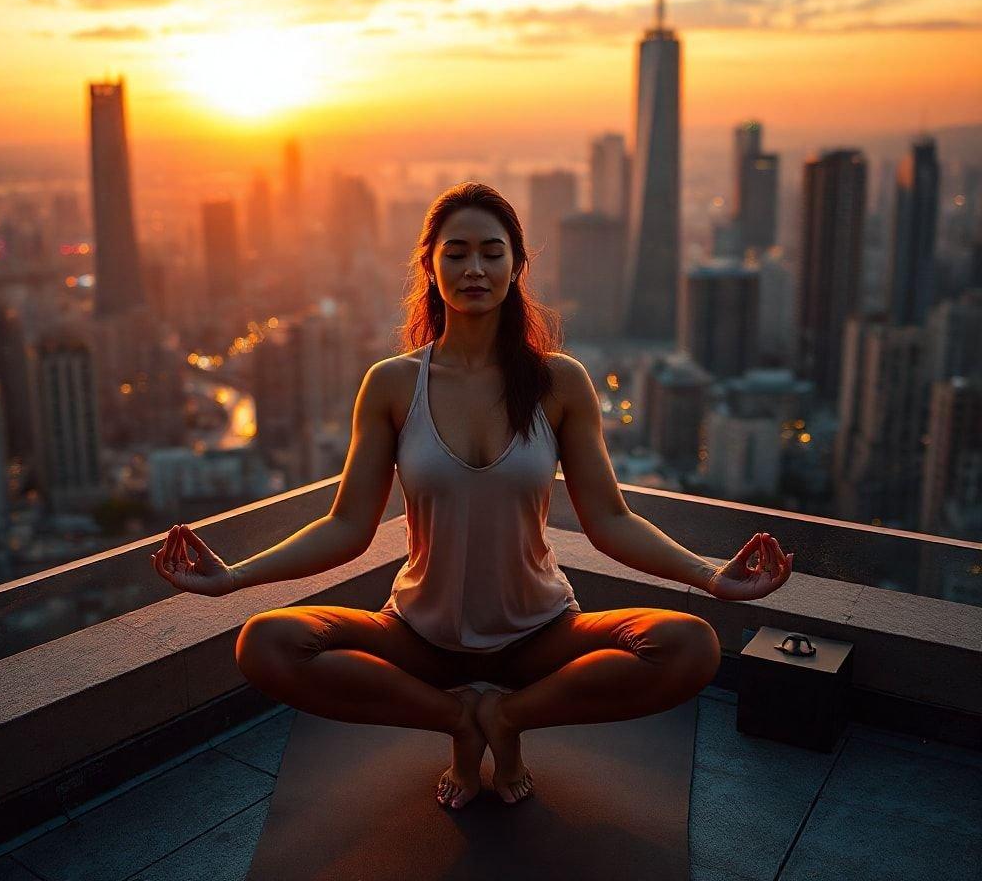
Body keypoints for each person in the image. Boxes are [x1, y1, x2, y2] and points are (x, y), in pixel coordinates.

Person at [151, 181, 794, 811]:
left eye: (492, 251)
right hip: (419, 634)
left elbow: (610, 519)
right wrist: (236, 576)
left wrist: (709, 576)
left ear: (516, 266)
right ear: (430, 267)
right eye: (455, 253)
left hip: (539, 631)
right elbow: (346, 525)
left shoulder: (558, 382)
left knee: (692, 646)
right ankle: (458, 721)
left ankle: (508, 718)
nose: (475, 268)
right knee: (263, 643)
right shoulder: (392, 385)